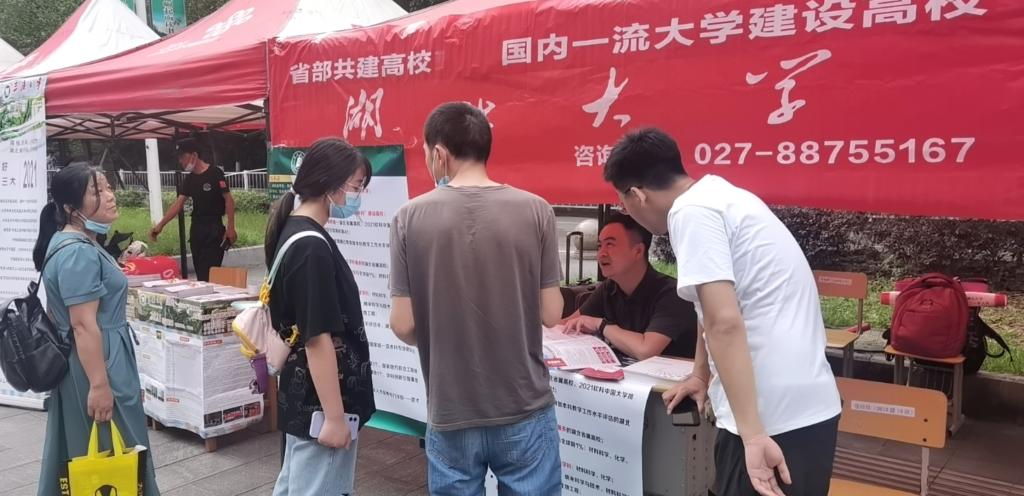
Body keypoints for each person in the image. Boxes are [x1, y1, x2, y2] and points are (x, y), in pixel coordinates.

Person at [603, 128, 841, 496]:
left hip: (768, 419)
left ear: (637, 194)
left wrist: (753, 435)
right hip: (806, 407)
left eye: (623, 202)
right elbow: (711, 307)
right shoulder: (722, 197)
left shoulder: (691, 213)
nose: (627, 210)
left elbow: (724, 322)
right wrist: (700, 374)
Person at [389, 102, 564, 495]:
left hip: (451, 407)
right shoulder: (537, 210)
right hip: (524, 402)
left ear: (439, 154)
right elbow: (552, 313)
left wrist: (442, 331)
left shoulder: (408, 218)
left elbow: (403, 324)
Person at [33, 165, 159, 496]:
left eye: (107, 187)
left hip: (91, 359)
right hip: (98, 361)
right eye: (96, 192)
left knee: (90, 445)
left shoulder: (73, 242)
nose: (110, 196)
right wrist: (100, 385)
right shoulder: (77, 252)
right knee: (115, 448)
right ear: (71, 208)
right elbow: (83, 324)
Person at [264, 137, 376, 496]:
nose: (358, 195)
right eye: (356, 186)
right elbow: (317, 338)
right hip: (320, 405)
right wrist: (334, 417)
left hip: (307, 399)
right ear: (331, 184)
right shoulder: (311, 246)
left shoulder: (299, 232)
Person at [563, 212, 698, 362]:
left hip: (672, 376)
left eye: (610, 244)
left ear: (638, 251)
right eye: (600, 246)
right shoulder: (609, 288)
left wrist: (601, 325)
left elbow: (646, 350)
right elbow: (567, 325)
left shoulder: (671, 294)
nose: (601, 254)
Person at [150, 138, 237, 281]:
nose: (181, 161)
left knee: (210, 273)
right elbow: (178, 204)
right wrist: (160, 225)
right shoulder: (189, 180)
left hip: (214, 228)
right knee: (200, 274)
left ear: (194, 155)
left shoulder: (215, 173)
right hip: (197, 228)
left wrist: (231, 227)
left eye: (182, 157)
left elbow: (229, 200)